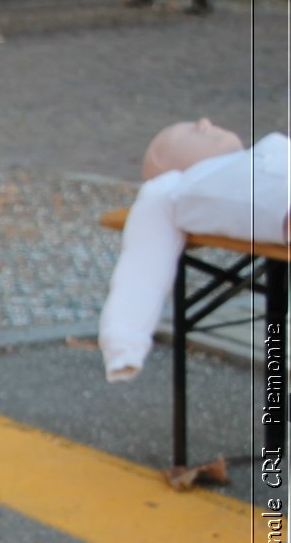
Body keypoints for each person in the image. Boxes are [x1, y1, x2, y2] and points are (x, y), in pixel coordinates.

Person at [98, 119, 290, 381]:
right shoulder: (168, 189)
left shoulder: (264, 151)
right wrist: (124, 346)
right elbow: (142, 269)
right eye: (184, 131)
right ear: (165, 166)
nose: (204, 122)